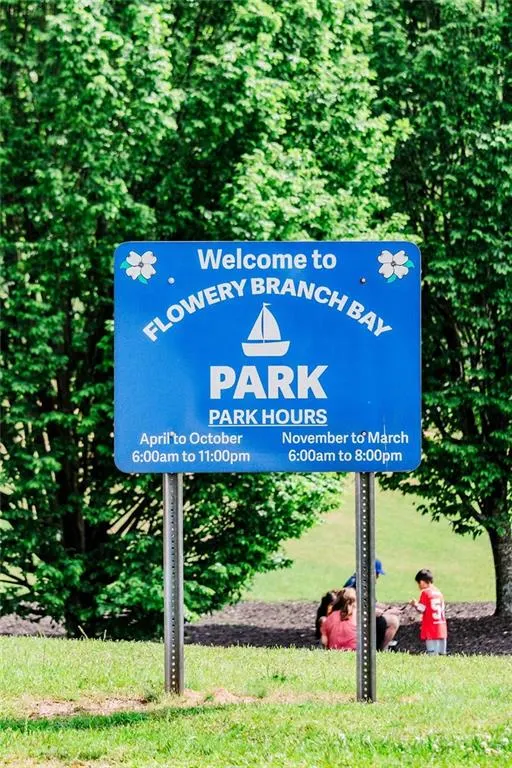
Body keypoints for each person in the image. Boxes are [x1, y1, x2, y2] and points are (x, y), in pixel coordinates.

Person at [342, 558, 399, 651]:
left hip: (357, 616)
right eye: (377, 574)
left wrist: (389, 608)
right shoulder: (358, 584)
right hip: (354, 618)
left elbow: (372, 602)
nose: (377, 578)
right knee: (393, 621)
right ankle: (381, 649)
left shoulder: (360, 581)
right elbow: (360, 607)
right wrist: (384, 612)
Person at [409, 568, 447, 655]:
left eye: (418, 583)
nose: (418, 586)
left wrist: (415, 604)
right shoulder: (439, 593)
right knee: (442, 655)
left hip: (431, 629)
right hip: (441, 628)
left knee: (432, 655)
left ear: (422, 582)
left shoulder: (425, 593)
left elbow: (422, 609)